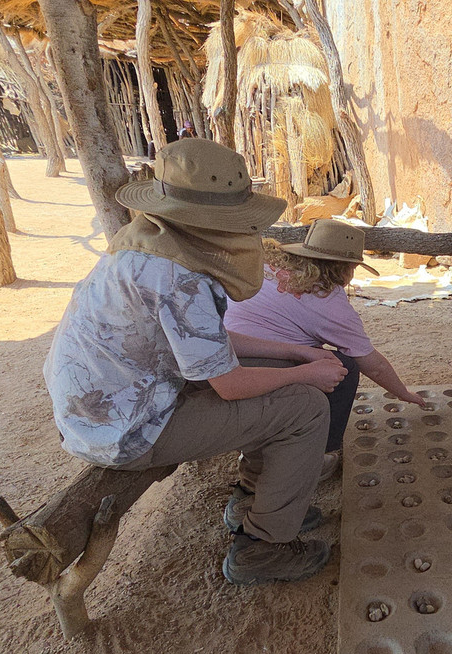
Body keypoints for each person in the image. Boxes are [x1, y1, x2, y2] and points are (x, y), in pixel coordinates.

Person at [43, 138, 348, 586]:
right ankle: (264, 547)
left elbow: (205, 342)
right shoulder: (178, 276)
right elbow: (227, 385)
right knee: (305, 406)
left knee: (285, 379)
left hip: (110, 405)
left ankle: (255, 500)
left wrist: (292, 353)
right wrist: (310, 372)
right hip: (126, 429)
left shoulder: (152, 246)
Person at [223, 219, 425, 479]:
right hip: (260, 371)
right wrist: (403, 393)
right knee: (344, 367)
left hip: (221, 359)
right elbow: (369, 361)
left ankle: (258, 445)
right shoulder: (325, 299)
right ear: (347, 268)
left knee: (317, 352)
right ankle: (319, 455)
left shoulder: (267, 264)